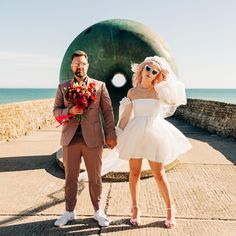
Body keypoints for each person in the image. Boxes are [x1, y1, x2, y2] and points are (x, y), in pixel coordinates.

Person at [116, 56, 192, 228]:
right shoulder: (132, 92)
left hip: (155, 133)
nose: (150, 72)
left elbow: (174, 101)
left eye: (154, 71)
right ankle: (135, 209)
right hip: (135, 133)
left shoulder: (159, 90)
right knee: (134, 174)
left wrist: (164, 82)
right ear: (141, 69)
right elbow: (126, 117)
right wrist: (117, 134)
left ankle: (170, 209)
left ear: (158, 74)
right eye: (148, 68)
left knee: (159, 174)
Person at [53, 50, 117, 227]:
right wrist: (69, 112)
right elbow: (56, 112)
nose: (79, 66)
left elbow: (108, 111)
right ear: (71, 66)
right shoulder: (63, 87)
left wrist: (111, 133)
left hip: (94, 139)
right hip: (70, 139)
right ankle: (69, 211)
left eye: (82, 63)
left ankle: (98, 211)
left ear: (87, 65)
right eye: (76, 63)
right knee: (70, 178)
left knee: (95, 177)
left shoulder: (100, 86)